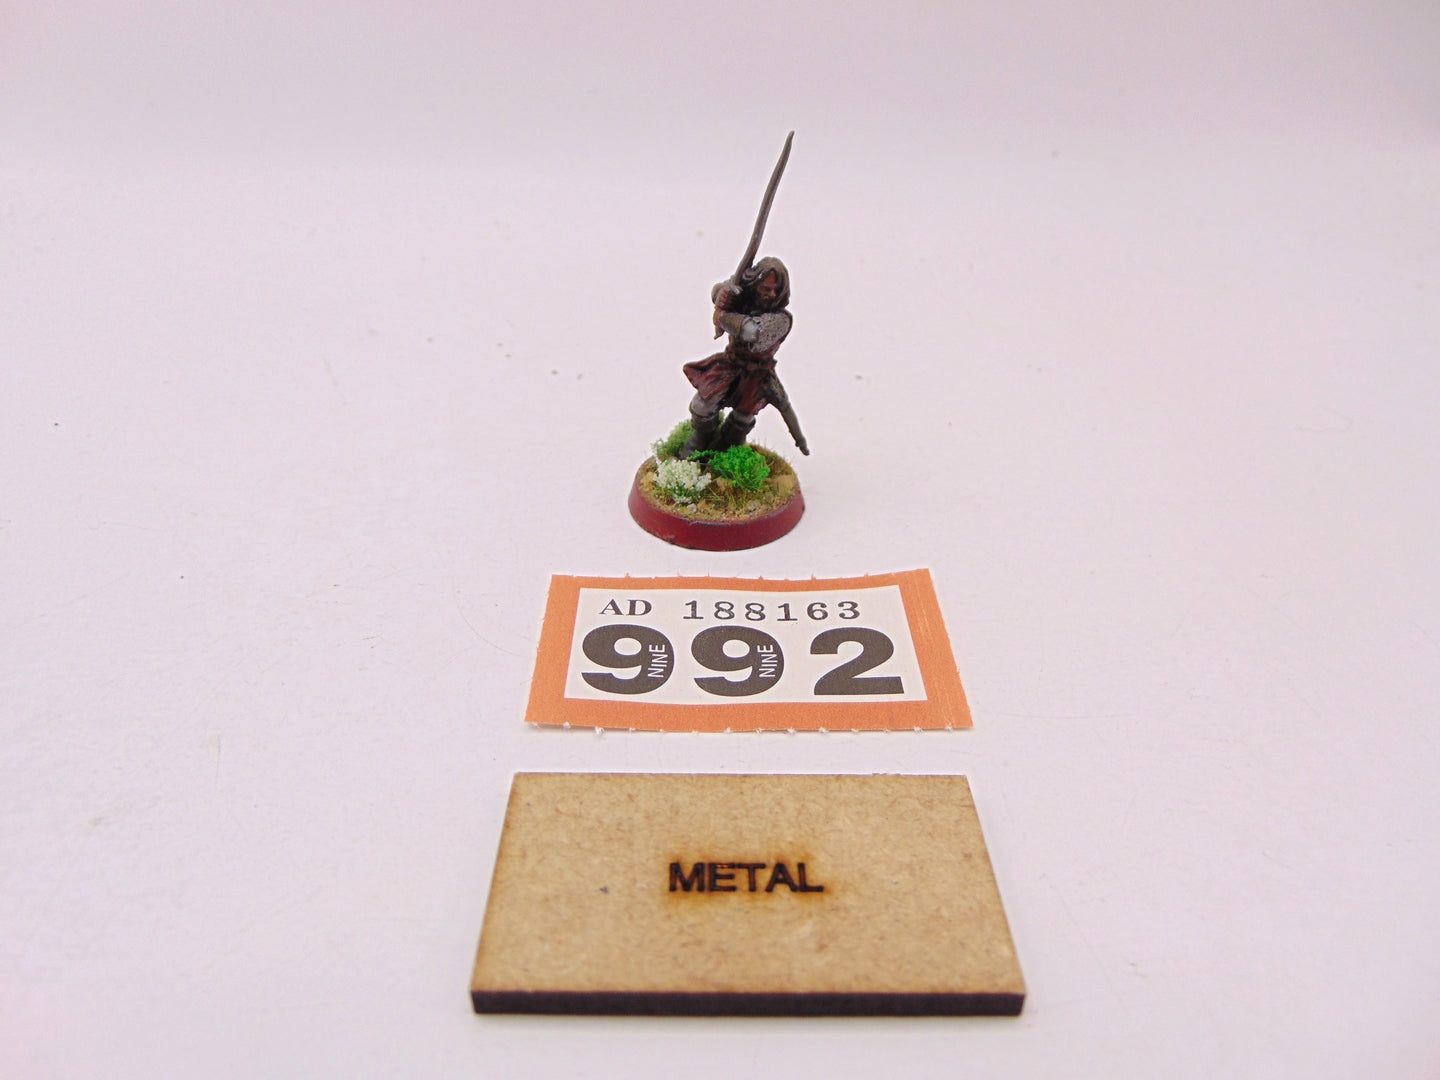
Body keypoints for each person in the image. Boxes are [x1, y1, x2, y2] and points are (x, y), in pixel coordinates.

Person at [678, 256, 807, 459]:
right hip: (730, 364)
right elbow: (717, 291)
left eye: (776, 290)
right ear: (755, 285)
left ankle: (727, 448)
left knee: (743, 417)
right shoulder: (744, 300)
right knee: (702, 406)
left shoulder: (782, 320)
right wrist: (724, 293)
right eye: (765, 288)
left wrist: (723, 317)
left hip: (757, 374)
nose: (771, 294)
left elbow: (751, 332)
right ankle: (701, 441)